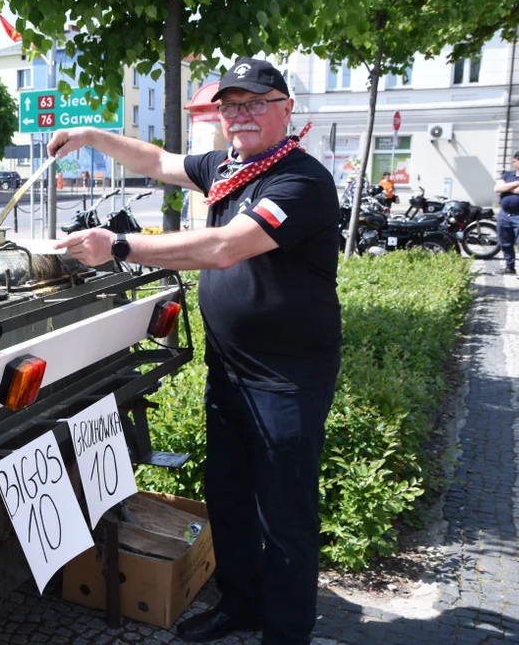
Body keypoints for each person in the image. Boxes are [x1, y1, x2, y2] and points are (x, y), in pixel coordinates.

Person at [49, 57, 340, 645]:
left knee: (284, 514)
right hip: (230, 371)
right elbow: (156, 161)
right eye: (231, 106)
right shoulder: (227, 168)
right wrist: (89, 136)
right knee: (227, 495)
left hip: (286, 379)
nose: (242, 115)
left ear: (287, 108)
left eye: (256, 102)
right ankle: (241, 603)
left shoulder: (301, 180)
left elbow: (227, 247)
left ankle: (286, 633)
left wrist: (122, 245)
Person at [495, 151, 519, 275]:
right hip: (504, 214)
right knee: (505, 242)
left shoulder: (507, 180)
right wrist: (516, 183)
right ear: (515, 162)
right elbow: (497, 188)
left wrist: (508, 187)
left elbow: (503, 188)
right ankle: (510, 267)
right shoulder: (507, 175)